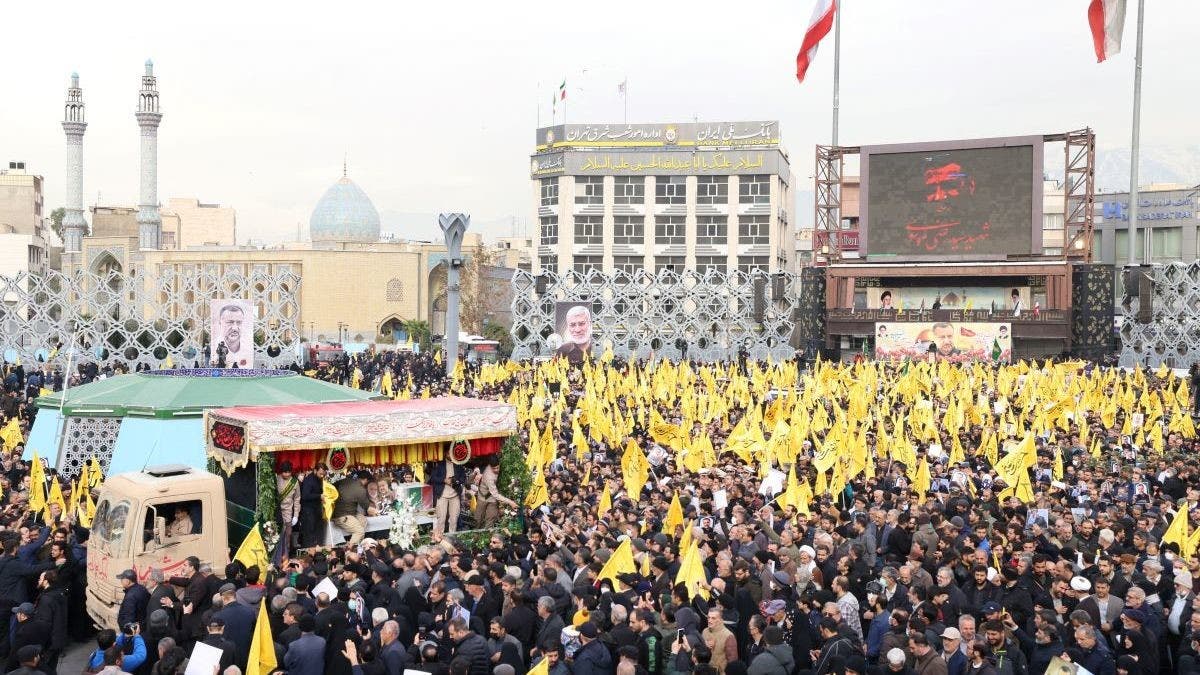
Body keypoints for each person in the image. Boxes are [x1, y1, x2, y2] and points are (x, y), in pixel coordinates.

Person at [332, 470, 377, 546]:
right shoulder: (360, 489)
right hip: (341, 515)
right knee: (359, 531)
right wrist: (376, 510)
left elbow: (332, 486)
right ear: (366, 480)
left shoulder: (344, 480)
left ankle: (356, 543)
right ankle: (350, 550)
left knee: (363, 521)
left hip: (347, 511)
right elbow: (367, 507)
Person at [473, 456, 517, 528]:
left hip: (492, 498)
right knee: (478, 519)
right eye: (494, 468)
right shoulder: (488, 476)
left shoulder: (501, 466)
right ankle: (476, 536)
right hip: (483, 497)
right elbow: (496, 494)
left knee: (491, 518)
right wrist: (510, 502)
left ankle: (488, 536)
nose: (496, 470)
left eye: (497, 467)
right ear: (490, 466)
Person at [430, 459, 467, 538]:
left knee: (454, 519)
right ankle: (439, 539)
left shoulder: (458, 463)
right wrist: (444, 480)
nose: (450, 454)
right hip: (442, 495)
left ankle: (452, 538)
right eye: (448, 452)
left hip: (455, 495)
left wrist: (455, 481)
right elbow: (433, 478)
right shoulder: (439, 464)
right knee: (441, 519)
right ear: (445, 452)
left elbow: (463, 478)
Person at [298, 463, 329, 549]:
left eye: (324, 474)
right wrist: (319, 496)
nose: (322, 476)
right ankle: (309, 553)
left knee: (319, 532)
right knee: (309, 533)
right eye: (320, 473)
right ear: (315, 470)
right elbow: (304, 496)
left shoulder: (320, 479)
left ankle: (319, 551)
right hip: (308, 511)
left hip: (317, 510)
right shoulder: (309, 480)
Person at [214, 303, 252, 368]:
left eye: (239, 322)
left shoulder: (249, 348)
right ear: (220, 323)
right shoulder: (213, 346)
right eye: (230, 322)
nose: (235, 328)